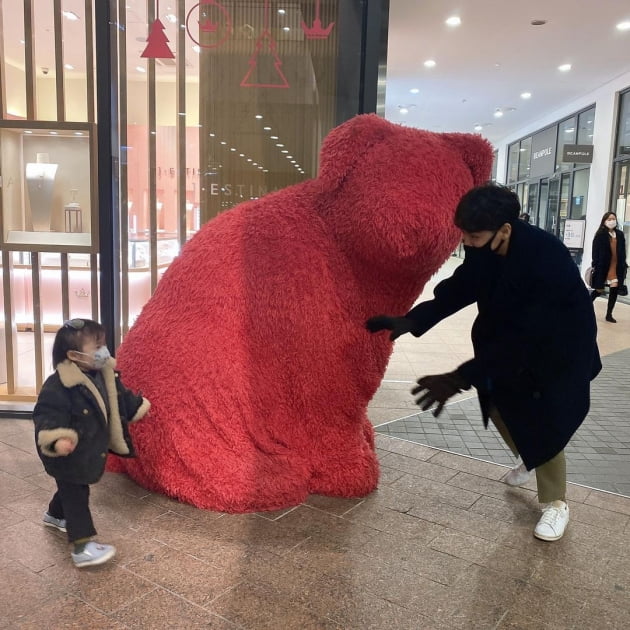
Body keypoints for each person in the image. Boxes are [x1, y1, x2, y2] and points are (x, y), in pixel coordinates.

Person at [366, 183, 601, 541]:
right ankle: (530, 455)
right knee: (497, 404)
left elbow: (525, 339)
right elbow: (462, 287)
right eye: (464, 235)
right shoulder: (487, 247)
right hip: (510, 346)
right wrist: (415, 319)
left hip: (556, 354)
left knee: (543, 422)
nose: (467, 243)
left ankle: (556, 504)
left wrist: (461, 375)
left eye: (473, 236)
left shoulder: (545, 258)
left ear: (505, 229)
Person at [33, 318, 150, 568]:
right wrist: (58, 439)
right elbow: (46, 415)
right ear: (74, 355)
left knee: (71, 487)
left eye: (104, 344)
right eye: (96, 347)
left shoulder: (103, 373)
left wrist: (136, 406)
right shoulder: (59, 386)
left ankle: (54, 515)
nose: (104, 352)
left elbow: (119, 397)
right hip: (66, 453)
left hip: (86, 451)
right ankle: (82, 547)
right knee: (77, 494)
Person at [590, 211, 627, 323]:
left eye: (613, 219)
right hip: (603, 265)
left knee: (614, 288)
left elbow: (623, 250)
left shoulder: (619, 234)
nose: (612, 221)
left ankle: (609, 314)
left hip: (616, 265)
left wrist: (624, 263)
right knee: (599, 290)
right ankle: (585, 304)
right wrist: (595, 264)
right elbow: (595, 251)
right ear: (605, 221)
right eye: (609, 219)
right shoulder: (600, 234)